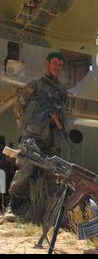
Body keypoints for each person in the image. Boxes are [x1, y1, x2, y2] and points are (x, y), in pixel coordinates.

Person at [4, 52, 67, 222]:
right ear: (47, 64)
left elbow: (63, 115)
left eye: (60, 65)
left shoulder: (62, 91)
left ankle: (51, 215)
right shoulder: (34, 86)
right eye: (55, 63)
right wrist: (30, 128)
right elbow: (18, 109)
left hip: (53, 140)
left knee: (52, 177)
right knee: (25, 171)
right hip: (34, 138)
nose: (57, 68)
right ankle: (14, 207)